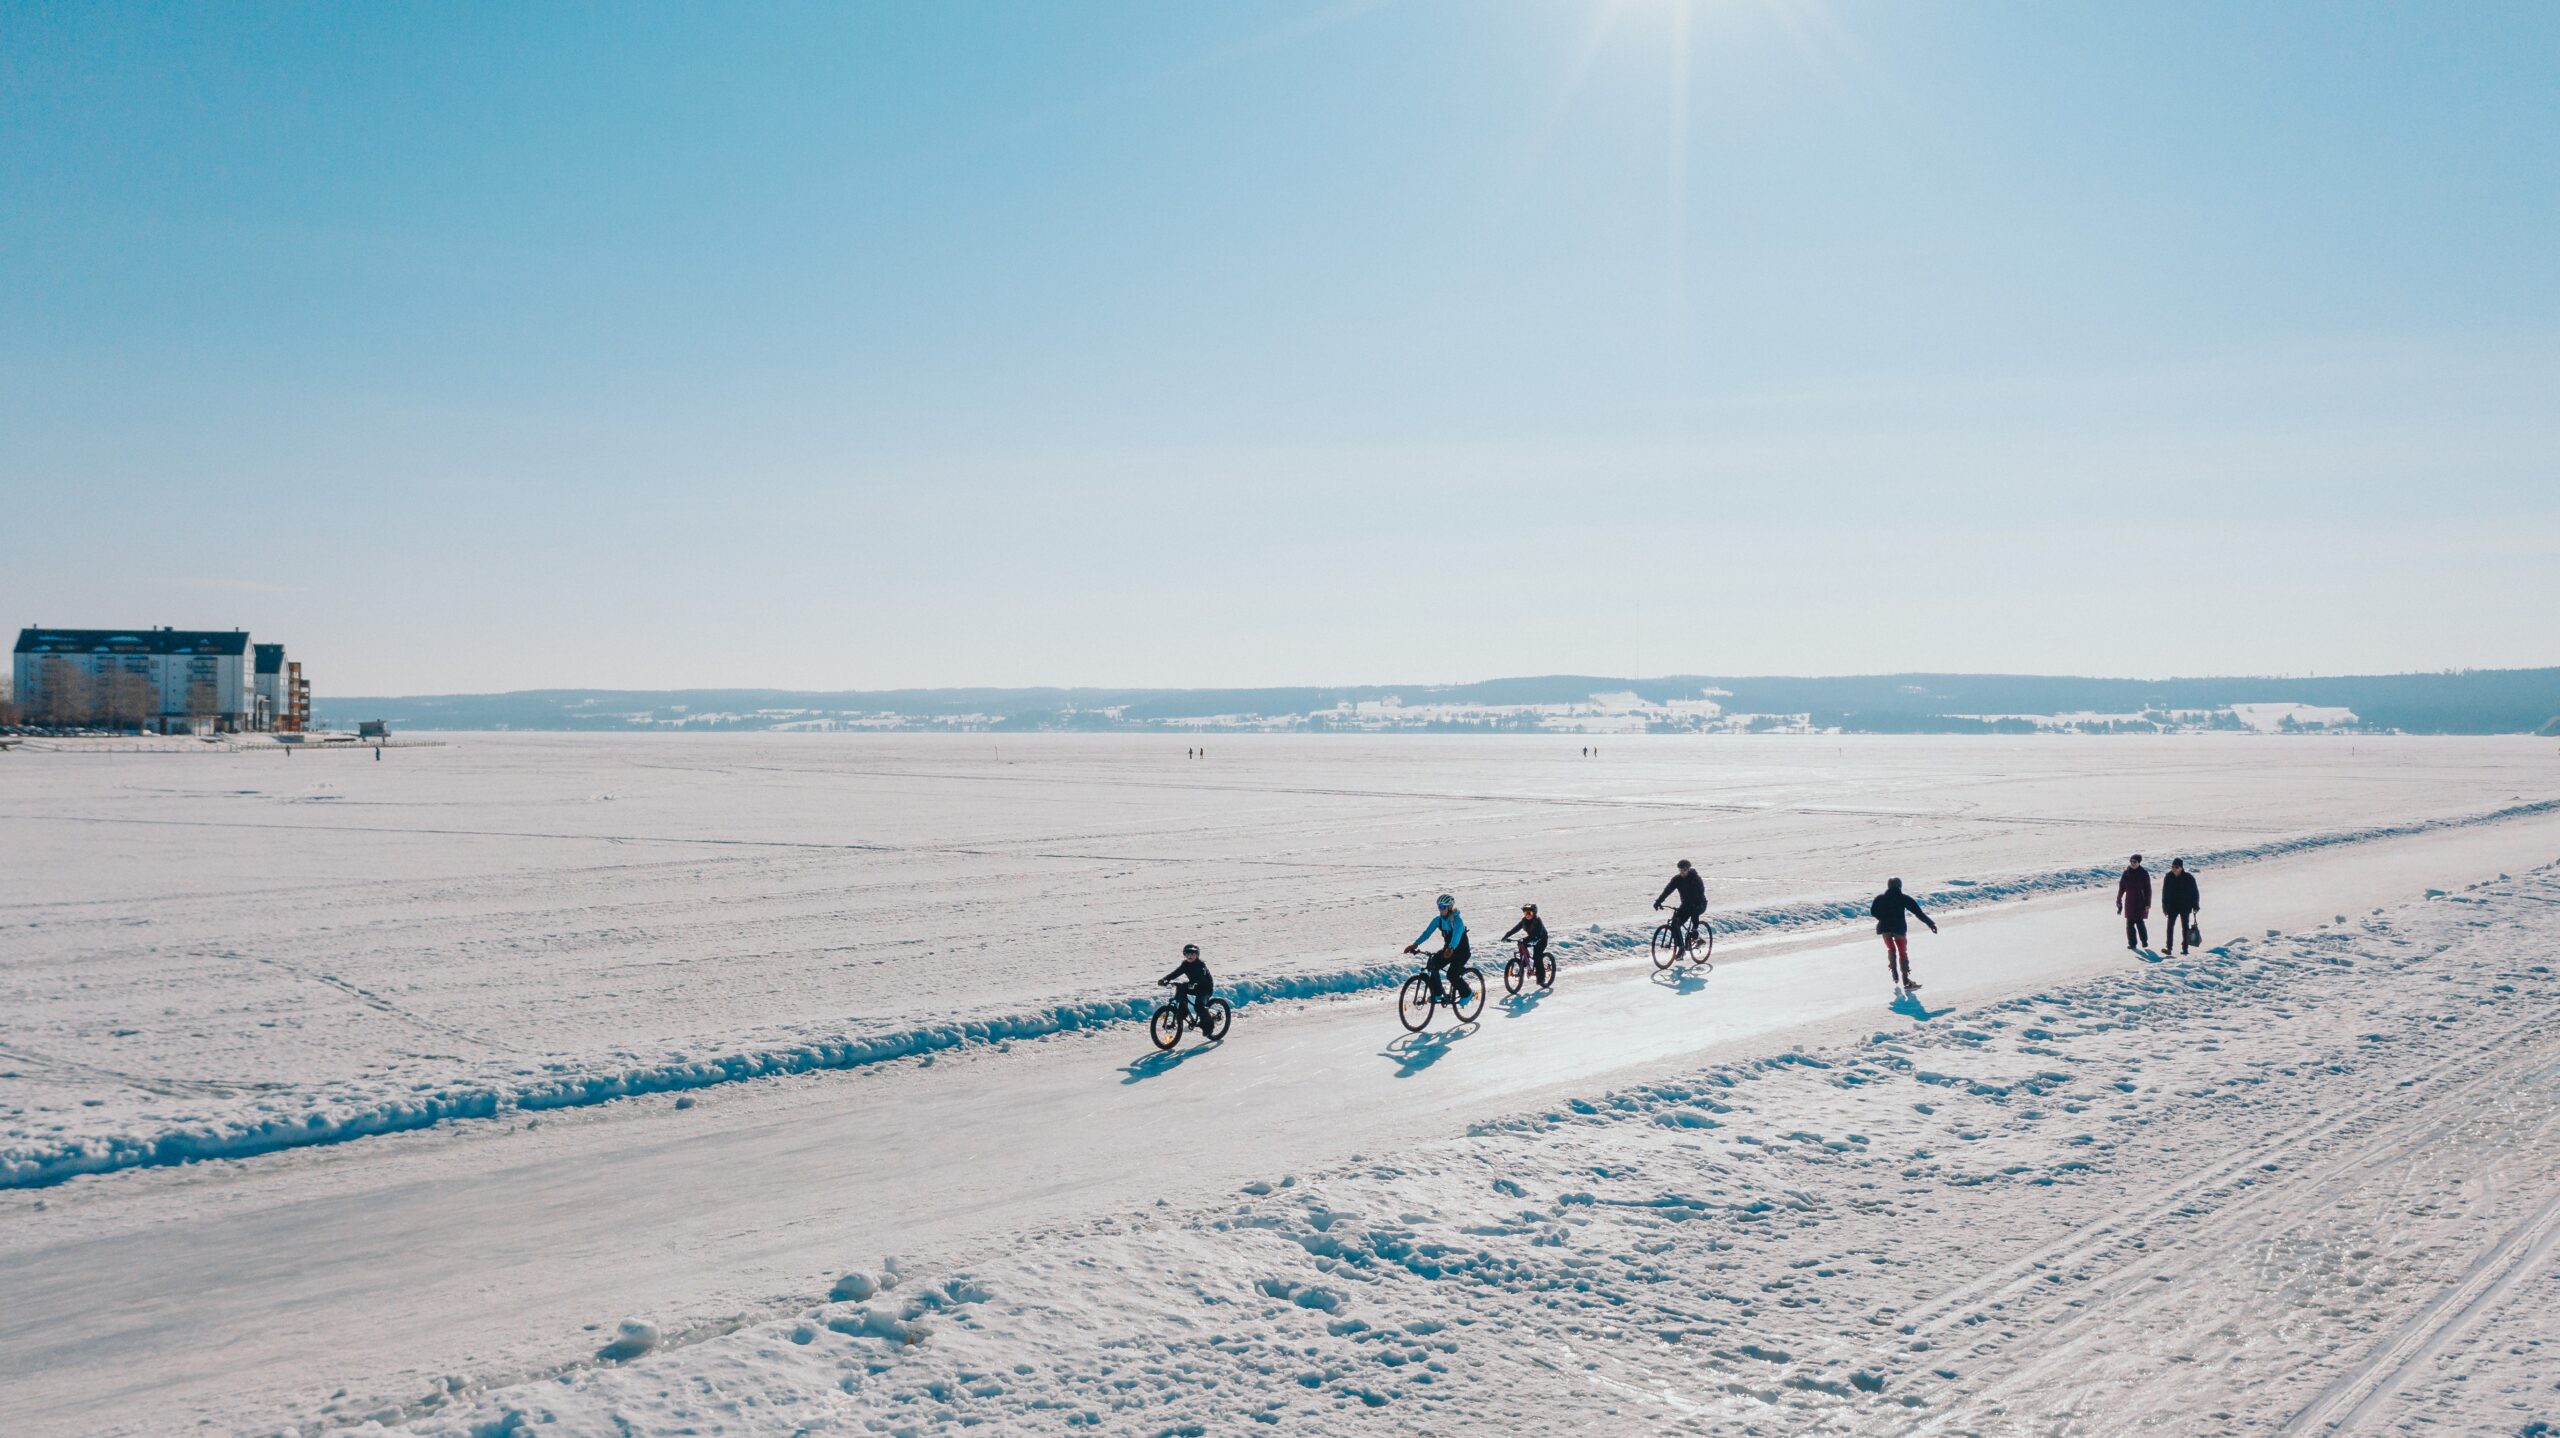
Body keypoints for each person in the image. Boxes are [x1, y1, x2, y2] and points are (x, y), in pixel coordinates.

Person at [1870, 878, 1938, 992]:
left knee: (1891, 949)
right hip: (1899, 930)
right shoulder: (1903, 898)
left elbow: (1873, 912)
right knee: (1902, 952)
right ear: (1899, 886)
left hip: (1885, 929)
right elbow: (1918, 913)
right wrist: (1930, 924)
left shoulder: (1880, 898)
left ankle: (1894, 972)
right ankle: (1906, 980)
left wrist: (1883, 918)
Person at [1404, 894, 1472, 1002]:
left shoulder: (1457, 921)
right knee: (1433, 964)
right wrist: (1415, 944)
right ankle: (1437, 992)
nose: (1440, 910)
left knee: (1452, 974)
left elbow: (1456, 936)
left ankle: (1467, 993)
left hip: (1461, 952)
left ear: (1449, 907)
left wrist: (1451, 948)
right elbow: (1427, 933)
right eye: (1439, 907)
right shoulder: (1438, 920)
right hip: (1448, 950)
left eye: (1443, 907)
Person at [1655, 859, 1707, 955]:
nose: (1682, 872)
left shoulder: (1696, 879)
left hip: (1699, 904)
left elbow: (1700, 894)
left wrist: (1695, 925)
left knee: (1694, 913)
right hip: (1686, 905)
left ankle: (1695, 934)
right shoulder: (1677, 879)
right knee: (1675, 923)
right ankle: (1681, 948)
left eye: (1684, 870)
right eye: (1680, 870)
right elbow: (1667, 890)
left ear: (1688, 869)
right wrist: (1658, 901)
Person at [1158, 943, 1214, 1029]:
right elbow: (1176, 973)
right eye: (1187, 954)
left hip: (1205, 988)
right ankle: (1182, 1013)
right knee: (1181, 988)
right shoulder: (1185, 964)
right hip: (1194, 986)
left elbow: (1202, 977)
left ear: (1197, 955)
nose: (1190, 956)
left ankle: (1209, 1025)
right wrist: (1165, 979)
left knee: (1199, 1006)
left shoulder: (1200, 965)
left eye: (1192, 954)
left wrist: (1194, 983)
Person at [2161, 858, 2200, 954]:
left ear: (2181, 868)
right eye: (2172, 867)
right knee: (2170, 927)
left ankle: (2185, 948)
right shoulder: (2168, 877)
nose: (2174, 869)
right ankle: (2169, 948)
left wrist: (2195, 905)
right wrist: (2165, 907)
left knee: (2185, 927)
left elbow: (2194, 892)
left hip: (2185, 906)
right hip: (2172, 906)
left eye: (2176, 867)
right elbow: (2165, 893)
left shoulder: (2188, 878)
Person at [2116, 854, 2153, 950]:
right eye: (2131, 861)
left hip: (2140, 902)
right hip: (2129, 901)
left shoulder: (2143, 873)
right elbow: (2122, 887)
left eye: (2135, 862)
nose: (2132, 863)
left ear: (2139, 862)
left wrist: (2148, 903)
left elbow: (2148, 889)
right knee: (2129, 924)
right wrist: (2118, 899)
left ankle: (2144, 941)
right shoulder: (2126, 873)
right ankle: (2132, 944)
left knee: (2139, 923)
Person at [1502, 903, 1549, 970]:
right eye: (1525, 913)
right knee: (1521, 943)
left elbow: (1538, 932)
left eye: (1529, 913)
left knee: (1537, 957)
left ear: (1534, 913)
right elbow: (1516, 929)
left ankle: (1541, 978)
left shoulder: (1537, 920)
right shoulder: (1524, 921)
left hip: (1541, 939)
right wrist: (1506, 935)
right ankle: (1524, 962)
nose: (1527, 915)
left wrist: (1534, 940)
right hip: (1532, 937)